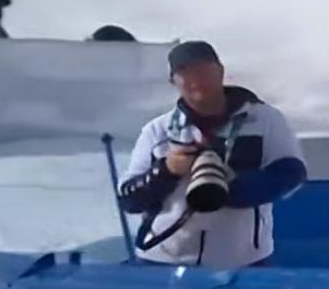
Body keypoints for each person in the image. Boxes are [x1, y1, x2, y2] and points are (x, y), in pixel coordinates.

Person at [116, 41, 307, 269]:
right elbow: (129, 199)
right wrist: (167, 170)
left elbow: (291, 175)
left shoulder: (264, 120)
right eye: (185, 73)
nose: (197, 79)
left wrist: (230, 187)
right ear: (172, 81)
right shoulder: (158, 130)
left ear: (221, 71)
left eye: (204, 70)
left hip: (241, 261)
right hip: (163, 259)